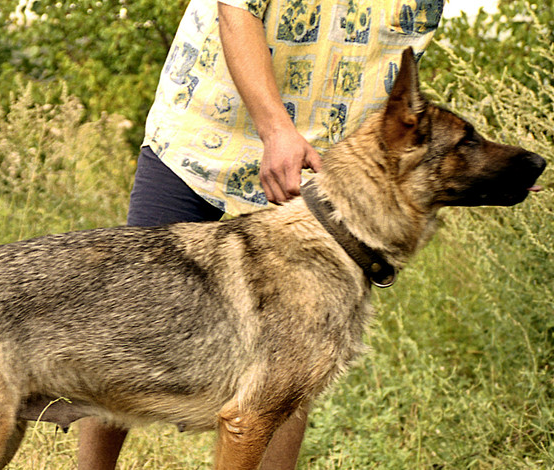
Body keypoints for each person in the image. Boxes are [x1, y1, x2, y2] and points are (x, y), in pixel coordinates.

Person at [78, 0, 443, 468]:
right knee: (128, 325)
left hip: (318, 164)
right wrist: (276, 130)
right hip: (204, 134)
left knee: (297, 347)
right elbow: (236, 11)